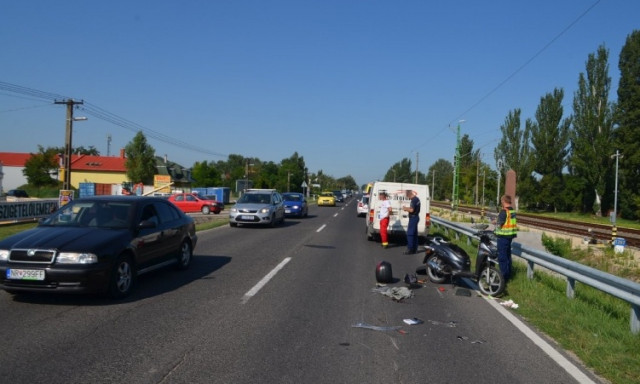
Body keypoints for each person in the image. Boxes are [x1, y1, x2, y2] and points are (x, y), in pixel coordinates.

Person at [494, 194, 518, 280]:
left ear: (503, 201)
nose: (501, 203)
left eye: (501, 201)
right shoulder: (512, 211)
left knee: (502, 257)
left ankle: (503, 277)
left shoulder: (504, 211)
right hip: (510, 236)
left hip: (503, 237)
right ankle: (508, 274)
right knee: (508, 256)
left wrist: (494, 222)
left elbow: (500, 223)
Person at [402, 189, 421, 254]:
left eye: (407, 196)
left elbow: (412, 210)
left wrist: (405, 208)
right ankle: (415, 248)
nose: (407, 198)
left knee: (410, 234)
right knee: (415, 234)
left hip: (413, 218)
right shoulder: (417, 199)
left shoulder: (413, 200)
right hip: (416, 217)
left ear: (409, 195)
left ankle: (410, 248)